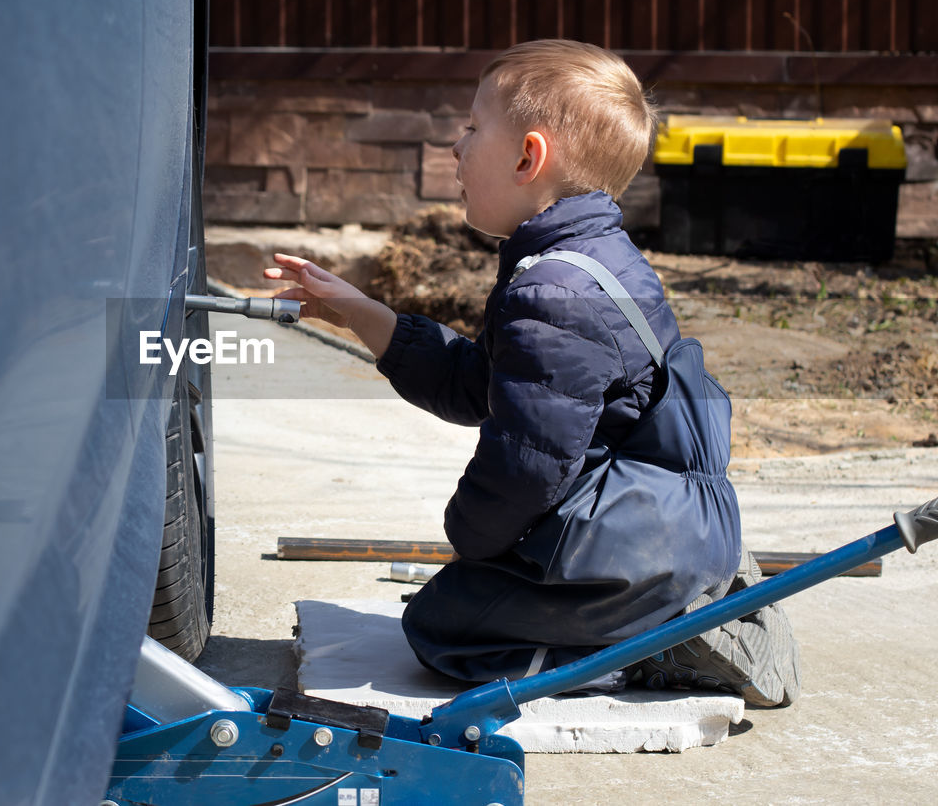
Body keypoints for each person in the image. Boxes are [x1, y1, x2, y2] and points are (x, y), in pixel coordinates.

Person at [265, 39, 799, 705]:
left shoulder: (550, 296)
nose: (455, 148)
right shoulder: (593, 260)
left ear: (528, 157)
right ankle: (686, 589)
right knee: (473, 594)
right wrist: (360, 312)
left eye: (471, 128)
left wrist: (471, 540)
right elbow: (474, 385)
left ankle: (658, 646)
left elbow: (525, 468)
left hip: (637, 550)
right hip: (665, 521)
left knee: (444, 627)